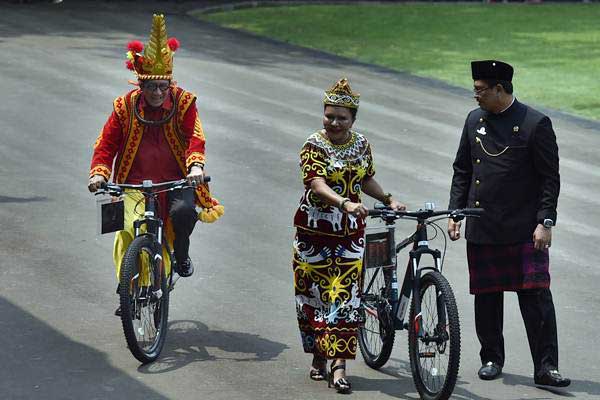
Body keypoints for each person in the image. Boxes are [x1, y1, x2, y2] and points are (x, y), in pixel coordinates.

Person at [88, 15, 223, 312]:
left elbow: (194, 138)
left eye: (163, 86)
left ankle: (182, 254)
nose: (158, 93)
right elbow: (106, 144)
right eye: (151, 87)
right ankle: (130, 286)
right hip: (133, 183)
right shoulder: (123, 107)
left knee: (185, 211)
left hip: (176, 181)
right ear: (140, 84)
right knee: (128, 229)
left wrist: (196, 167)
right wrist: (99, 174)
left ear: (170, 83)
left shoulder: (185, 102)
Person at [447, 60, 569, 387]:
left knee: (537, 299)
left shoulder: (535, 123)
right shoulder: (474, 120)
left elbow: (549, 179)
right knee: (487, 297)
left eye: (480, 90)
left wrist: (546, 221)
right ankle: (491, 358)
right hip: (483, 225)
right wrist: (455, 212)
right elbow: (462, 170)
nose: (475, 96)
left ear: (499, 88)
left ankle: (546, 368)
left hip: (524, 228)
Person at [292, 78, 405, 393]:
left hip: (350, 235)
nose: (335, 122)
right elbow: (315, 183)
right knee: (312, 298)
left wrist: (387, 199)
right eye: (330, 116)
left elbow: (366, 178)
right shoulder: (313, 143)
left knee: (345, 298)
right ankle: (318, 355)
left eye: (342, 117)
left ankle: (339, 366)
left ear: (353, 119)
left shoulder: (361, 144)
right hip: (312, 234)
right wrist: (344, 202)